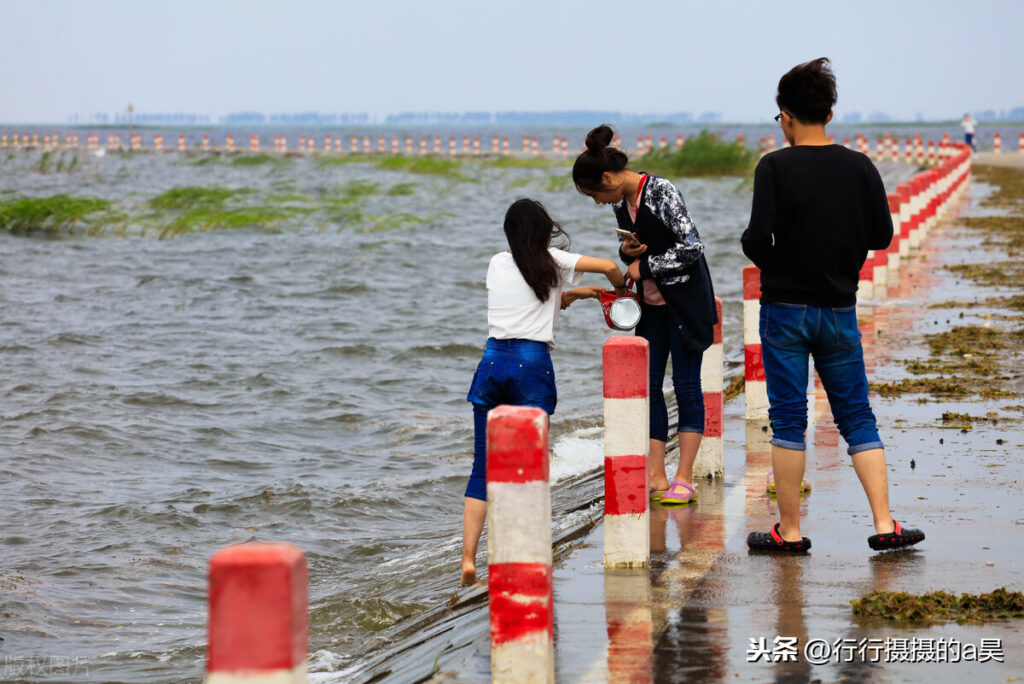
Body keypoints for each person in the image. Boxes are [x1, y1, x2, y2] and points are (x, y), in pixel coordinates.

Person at [741, 57, 925, 553]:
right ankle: (886, 524)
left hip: (784, 309)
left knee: (788, 419)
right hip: (840, 308)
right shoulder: (860, 165)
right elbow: (882, 235)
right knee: (856, 415)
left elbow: (758, 241)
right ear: (828, 113)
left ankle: (791, 531)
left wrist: (780, 255)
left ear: (786, 116)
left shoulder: (774, 166)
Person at [461, 198, 627, 585]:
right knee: (530, 465)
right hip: (531, 365)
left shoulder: (497, 262)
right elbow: (607, 266)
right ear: (543, 230)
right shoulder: (552, 261)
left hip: (491, 362)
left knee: (482, 465)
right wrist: (622, 287)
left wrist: (575, 294)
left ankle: (469, 557)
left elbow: (528, 300)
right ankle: (525, 549)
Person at [573, 124, 718, 506]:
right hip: (651, 307)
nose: (598, 203)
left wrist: (646, 266)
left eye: (595, 194)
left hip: (685, 305)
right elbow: (636, 253)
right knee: (650, 390)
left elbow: (692, 247)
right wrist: (629, 255)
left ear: (609, 177)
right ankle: (656, 474)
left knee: (686, 386)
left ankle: (684, 477)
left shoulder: (661, 191)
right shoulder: (623, 201)